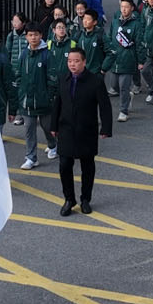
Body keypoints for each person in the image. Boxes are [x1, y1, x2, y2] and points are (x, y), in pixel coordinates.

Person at [48, 48, 113, 216]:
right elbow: (57, 104)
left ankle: (85, 199)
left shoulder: (95, 81)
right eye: (70, 61)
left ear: (84, 62)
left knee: (87, 166)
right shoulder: (63, 79)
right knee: (64, 165)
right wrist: (53, 126)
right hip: (66, 129)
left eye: (76, 61)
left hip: (87, 130)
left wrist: (106, 128)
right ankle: (69, 199)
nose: (72, 64)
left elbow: (105, 106)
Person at [15, 27, 56, 169]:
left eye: (36, 34)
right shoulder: (24, 54)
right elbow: (18, 75)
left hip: (43, 101)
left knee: (47, 127)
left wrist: (49, 96)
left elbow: (52, 78)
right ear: (26, 37)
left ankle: (53, 145)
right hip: (27, 100)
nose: (33, 38)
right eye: (30, 35)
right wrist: (20, 94)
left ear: (41, 35)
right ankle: (31, 158)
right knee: (29, 130)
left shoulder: (47, 55)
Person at [105, 0, 144, 122]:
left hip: (128, 60)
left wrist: (140, 61)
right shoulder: (115, 22)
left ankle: (123, 111)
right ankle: (128, 97)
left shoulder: (136, 24)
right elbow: (109, 38)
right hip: (115, 60)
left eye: (126, 7)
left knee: (123, 87)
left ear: (132, 8)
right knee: (114, 86)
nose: (124, 9)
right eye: (122, 7)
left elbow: (139, 43)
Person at [4, 13, 30, 125]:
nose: (14, 24)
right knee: (17, 92)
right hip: (15, 68)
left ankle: (28, 114)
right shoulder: (11, 36)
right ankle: (20, 115)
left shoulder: (28, 34)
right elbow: (7, 53)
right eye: (13, 21)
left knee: (27, 90)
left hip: (27, 68)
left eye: (17, 21)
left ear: (23, 23)